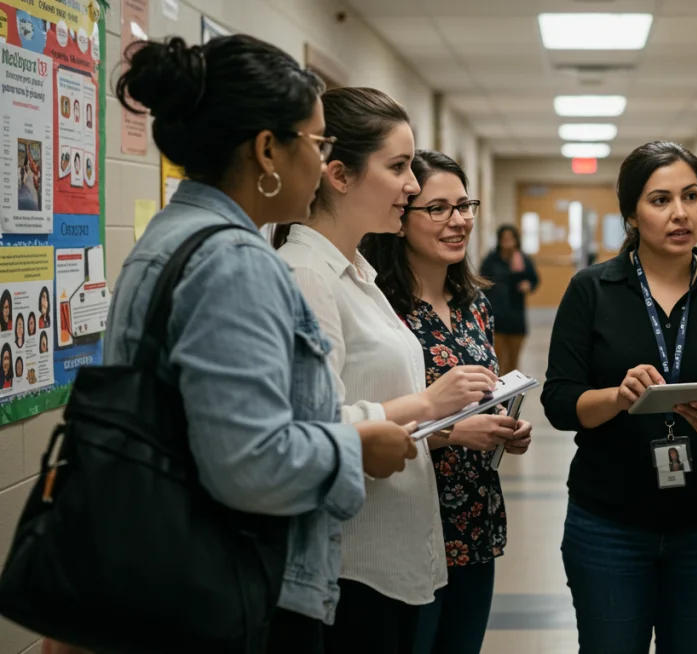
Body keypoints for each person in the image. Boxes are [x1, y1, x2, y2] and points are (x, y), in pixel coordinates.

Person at [103, 35, 419, 654]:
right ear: (268, 150)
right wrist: (357, 445)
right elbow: (249, 464)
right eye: (317, 144)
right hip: (234, 588)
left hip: (170, 574)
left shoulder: (173, 235)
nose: (323, 164)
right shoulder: (234, 262)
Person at [275, 88, 500, 654]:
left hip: (396, 559)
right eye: (398, 167)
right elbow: (304, 432)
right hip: (352, 565)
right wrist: (430, 405)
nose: (412, 186)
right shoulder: (306, 275)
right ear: (339, 176)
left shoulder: (356, 274)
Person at [541, 141, 697, 654]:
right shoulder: (592, 291)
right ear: (631, 214)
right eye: (660, 200)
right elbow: (558, 402)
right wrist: (616, 397)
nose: (680, 213)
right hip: (608, 526)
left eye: (691, 196)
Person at [362, 149, 533, 654]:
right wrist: (455, 434)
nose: (458, 221)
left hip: (475, 518)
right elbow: (364, 421)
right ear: (401, 217)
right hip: (409, 522)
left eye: (464, 205)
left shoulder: (475, 305)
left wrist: (503, 425)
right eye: (437, 208)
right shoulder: (380, 310)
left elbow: (480, 394)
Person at [479, 224, 539, 374]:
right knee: (497, 361)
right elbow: (482, 282)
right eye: (504, 238)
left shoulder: (523, 259)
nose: (507, 242)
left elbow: (534, 279)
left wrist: (528, 285)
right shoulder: (491, 260)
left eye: (511, 238)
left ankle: (513, 388)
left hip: (516, 315)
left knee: (513, 362)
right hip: (495, 316)